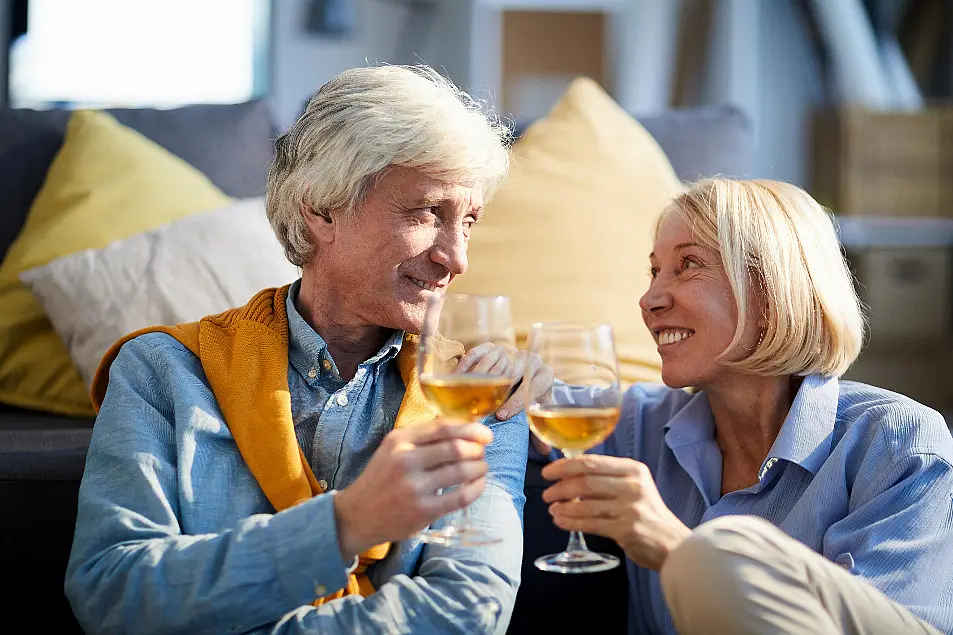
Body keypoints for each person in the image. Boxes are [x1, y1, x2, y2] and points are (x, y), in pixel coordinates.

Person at [65, 65, 536, 635]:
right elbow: (113, 594)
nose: (456, 257)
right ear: (322, 208)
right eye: (426, 213)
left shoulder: (482, 394)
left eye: (468, 222)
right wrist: (344, 525)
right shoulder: (162, 373)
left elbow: (470, 614)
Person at [537, 178, 953, 635]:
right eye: (654, 271)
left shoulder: (896, 444)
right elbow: (518, 407)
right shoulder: (640, 424)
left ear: (772, 286)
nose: (649, 299)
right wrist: (507, 371)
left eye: (688, 264)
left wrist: (678, 550)